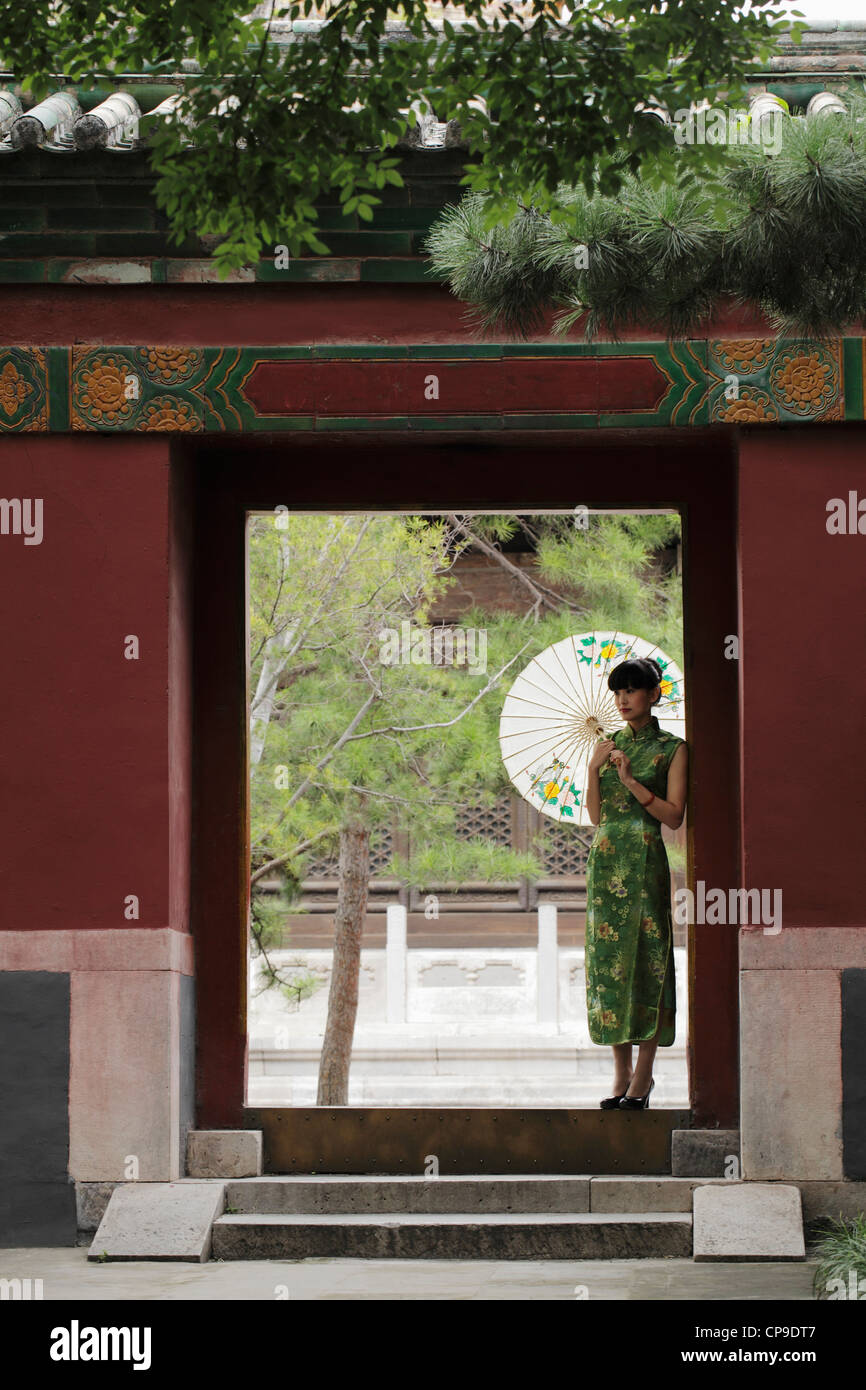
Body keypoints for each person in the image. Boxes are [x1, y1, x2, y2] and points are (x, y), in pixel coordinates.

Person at [584, 656, 688, 1109]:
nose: (623, 698)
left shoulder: (673, 749)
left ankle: (643, 1077)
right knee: (609, 966)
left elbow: (674, 815)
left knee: (648, 961)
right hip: (605, 863)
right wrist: (594, 769)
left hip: (645, 859)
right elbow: (595, 816)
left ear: (654, 695)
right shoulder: (606, 746)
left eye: (632, 689)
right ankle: (620, 1074)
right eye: (618, 691)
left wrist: (629, 780)